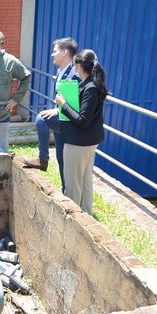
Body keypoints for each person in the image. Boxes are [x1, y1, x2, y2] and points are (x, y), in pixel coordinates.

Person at [53, 49, 107, 215]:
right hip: (88, 141)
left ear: (79, 66)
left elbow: (83, 120)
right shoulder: (90, 83)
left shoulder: (90, 87)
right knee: (84, 181)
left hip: (78, 143)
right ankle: (86, 216)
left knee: (73, 185)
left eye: (74, 63)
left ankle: (73, 219)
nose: (73, 66)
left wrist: (62, 104)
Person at [24, 37, 79, 192]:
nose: (52, 55)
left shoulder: (74, 73)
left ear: (65, 53)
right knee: (61, 158)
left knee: (41, 119)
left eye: (55, 51)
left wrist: (57, 110)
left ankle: (43, 159)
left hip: (69, 119)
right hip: (62, 116)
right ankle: (65, 191)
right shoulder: (62, 70)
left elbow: (77, 101)